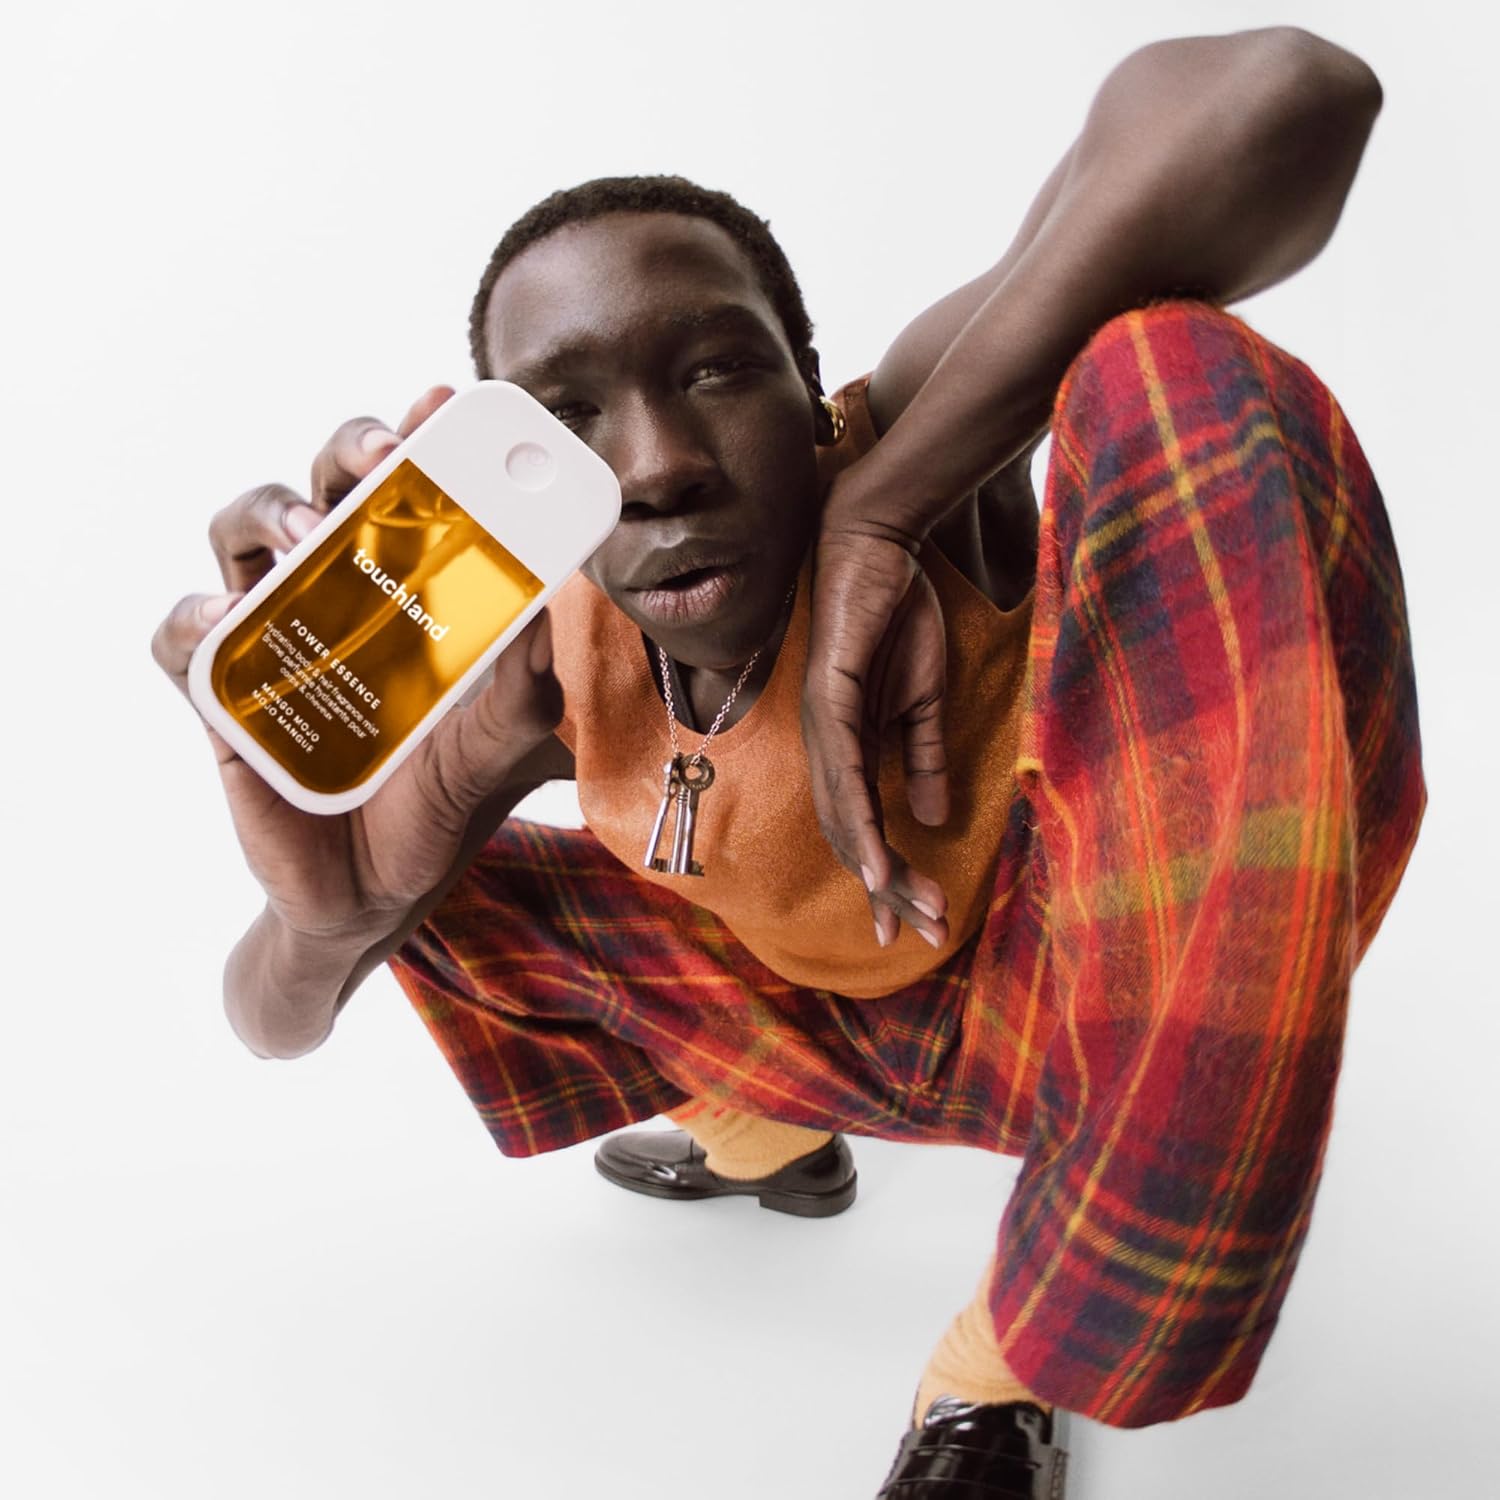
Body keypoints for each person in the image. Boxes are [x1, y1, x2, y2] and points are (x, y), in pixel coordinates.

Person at [151, 25, 1425, 1498]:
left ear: (810, 392)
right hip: (820, 1013)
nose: (657, 463)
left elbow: (1285, 96)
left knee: (1168, 360)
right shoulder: (543, 660)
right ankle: (769, 1139)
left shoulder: (912, 461)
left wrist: (888, 507)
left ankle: (1006, 1365)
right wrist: (340, 914)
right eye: (565, 419)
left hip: (1074, 1002)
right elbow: (271, 1026)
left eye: (717, 369)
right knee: (421, 860)